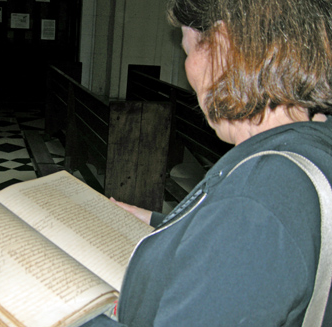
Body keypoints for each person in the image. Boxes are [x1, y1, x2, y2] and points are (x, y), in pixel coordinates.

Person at [81, 0, 332, 325]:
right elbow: (257, 255)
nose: (189, 74)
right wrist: (158, 223)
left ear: (225, 50)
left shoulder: (254, 202)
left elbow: (253, 228)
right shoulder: (314, 136)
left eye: (187, 52)